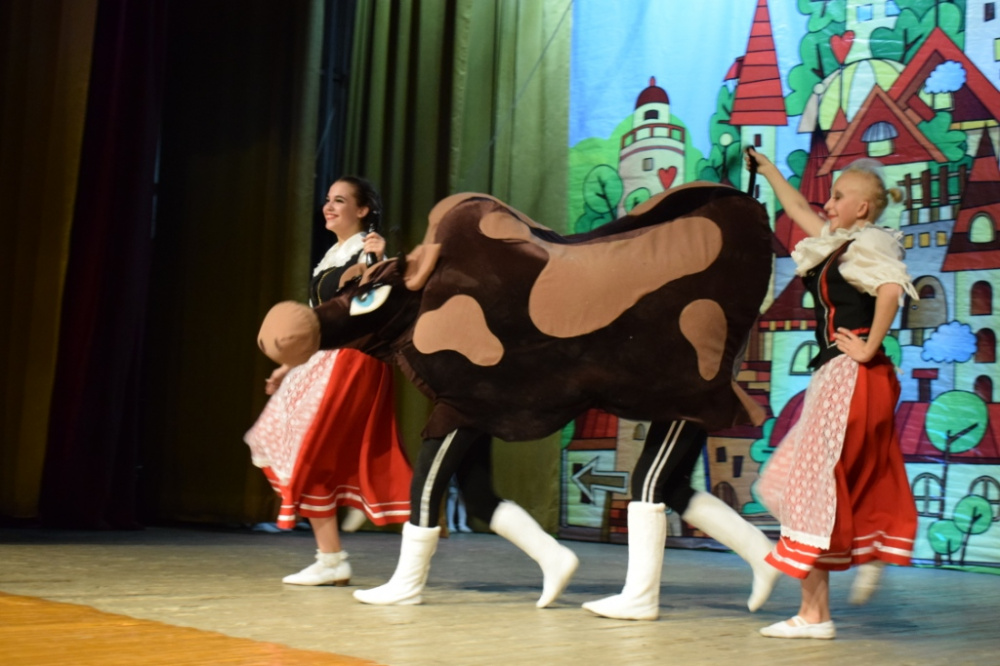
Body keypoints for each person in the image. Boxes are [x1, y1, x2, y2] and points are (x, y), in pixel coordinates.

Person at [745, 148, 919, 639]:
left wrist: (867, 348)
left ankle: (816, 612)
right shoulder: (840, 243)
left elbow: (889, 289)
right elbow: (799, 210)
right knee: (792, 483)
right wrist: (769, 170)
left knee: (812, 487)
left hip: (854, 375)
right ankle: (869, 551)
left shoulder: (871, 242)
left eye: (839, 196)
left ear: (862, 207)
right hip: (839, 376)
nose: (828, 202)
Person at [245, 176, 412, 586]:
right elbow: (315, 323)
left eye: (340, 201)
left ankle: (417, 517)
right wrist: (288, 366)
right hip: (322, 360)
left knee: (309, 447)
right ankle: (331, 558)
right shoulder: (334, 254)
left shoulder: (367, 252)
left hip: (352, 363)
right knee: (276, 440)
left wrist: (378, 261)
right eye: (327, 199)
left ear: (363, 210)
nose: (329, 206)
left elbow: (371, 308)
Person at [582, 420, 780, 621]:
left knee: (648, 483)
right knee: (672, 487)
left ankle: (639, 596)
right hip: (688, 396)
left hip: (682, 397)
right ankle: (761, 553)